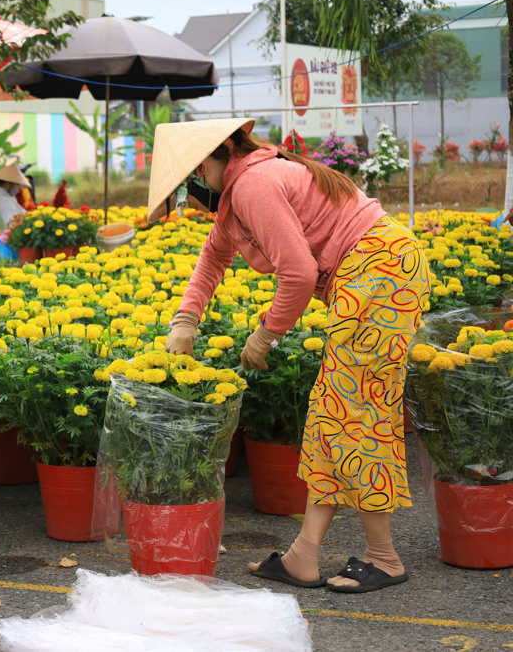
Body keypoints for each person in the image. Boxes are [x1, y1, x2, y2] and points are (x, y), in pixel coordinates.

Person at [149, 118, 430, 594]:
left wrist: (266, 335)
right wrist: (185, 322)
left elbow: (298, 274)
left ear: (203, 168)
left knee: (359, 414)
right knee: (333, 413)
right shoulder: (237, 202)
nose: (189, 202)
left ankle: (384, 557)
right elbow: (212, 260)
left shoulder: (254, 185)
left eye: (184, 191)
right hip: (371, 276)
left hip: (381, 274)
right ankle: (304, 554)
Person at [0, 163, 31, 228]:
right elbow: (11, 226)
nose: (18, 188)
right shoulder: (3, 201)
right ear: (8, 182)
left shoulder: (2, 197)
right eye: (17, 184)